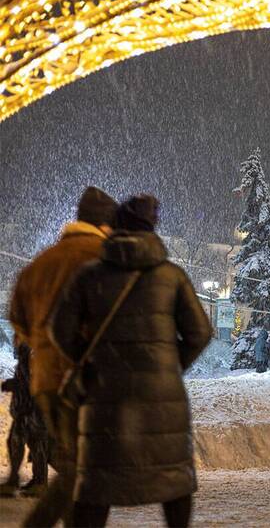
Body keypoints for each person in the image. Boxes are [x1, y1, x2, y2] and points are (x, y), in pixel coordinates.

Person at [49, 195, 212, 527]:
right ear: (152, 229)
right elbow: (200, 333)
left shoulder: (89, 276)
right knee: (173, 483)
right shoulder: (172, 276)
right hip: (163, 401)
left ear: (116, 228)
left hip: (105, 398)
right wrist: (169, 366)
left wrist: (90, 360)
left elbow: (59, 330)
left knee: (96, 486)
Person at [8, 186, 118, 527]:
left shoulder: (44, 262)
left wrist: (43, 350)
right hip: (90, 381)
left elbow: (17, 317)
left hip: (47, 383)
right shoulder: (107, 261)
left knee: (78, 467)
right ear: (104, 225)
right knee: (87, 472)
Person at [0, 344, 48, 497]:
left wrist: (13, 385)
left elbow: (32, 384)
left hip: (30, 411)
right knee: (31, 445)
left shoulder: (31, 360)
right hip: (26, 411)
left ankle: (26, 481)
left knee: (22, 444)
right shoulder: (26, 361)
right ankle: (38, 481)